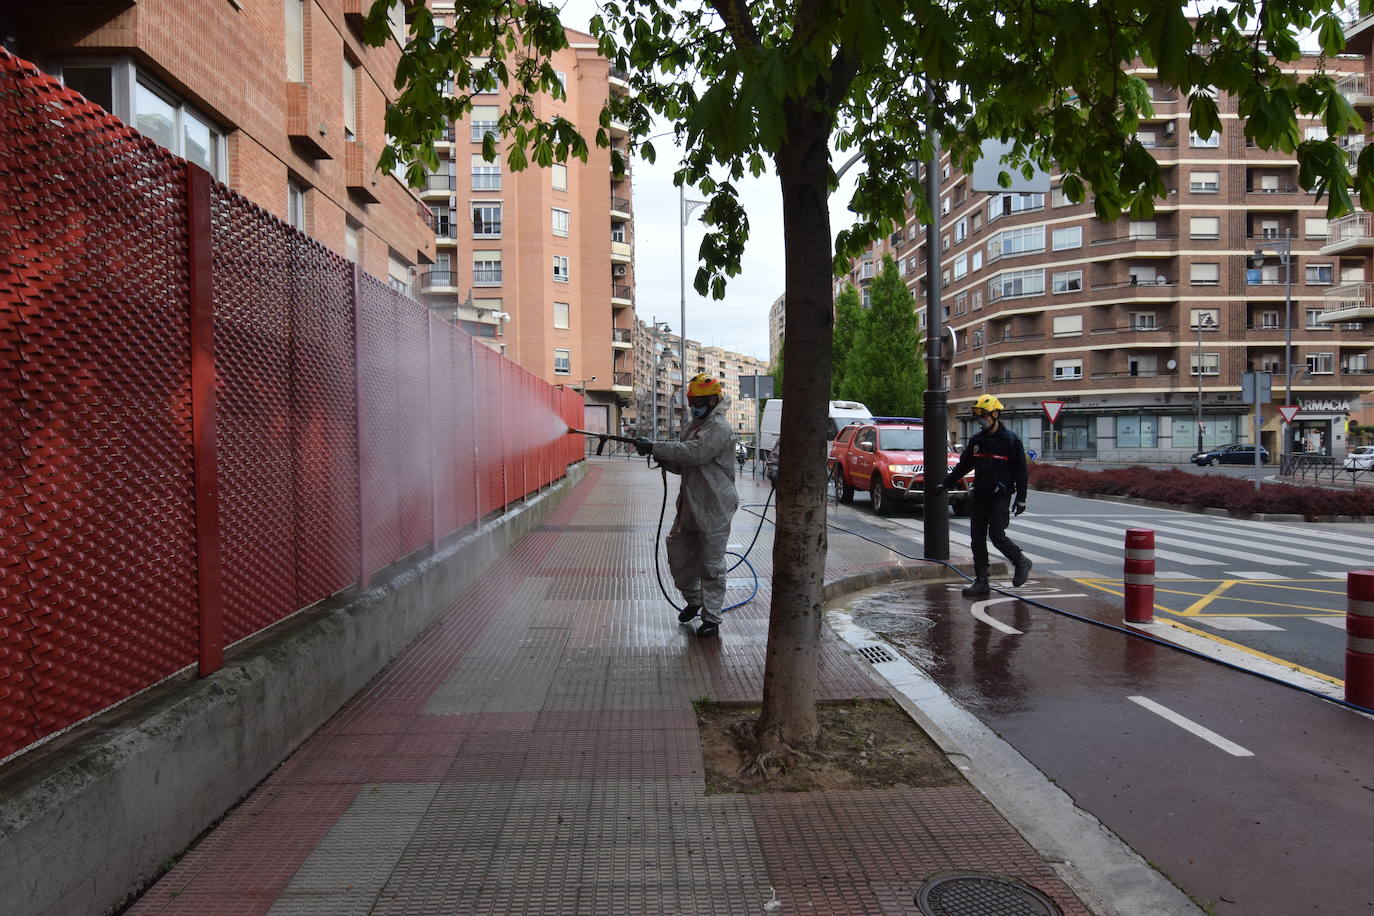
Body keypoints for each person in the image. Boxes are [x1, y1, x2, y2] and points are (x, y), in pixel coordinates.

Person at [634, 373, 739, 637]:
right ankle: (695, 601)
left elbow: (696, 453)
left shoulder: (719, 428)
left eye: (700, 401)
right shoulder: (695, 427)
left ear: (714, 399)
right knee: (679, 557)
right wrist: (665, 460)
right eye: (692, 401)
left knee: (711, 566)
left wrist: (656, 447)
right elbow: (686, 463)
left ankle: (712, 619)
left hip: (715, 506)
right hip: (690, 505)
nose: (695, 407)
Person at [938, 393, 1032, 597]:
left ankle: (1021, 561)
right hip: (980, 495)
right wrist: (945, 484)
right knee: (976, 538)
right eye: (978, 415)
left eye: (984, 415)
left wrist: (1021, 498)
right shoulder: (977, 440)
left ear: (995, 414)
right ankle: (982, 581)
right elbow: (963, 466)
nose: (980, 420)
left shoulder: (1010, 440)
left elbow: (1021, 471)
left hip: (1001, 496)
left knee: (997, 535)